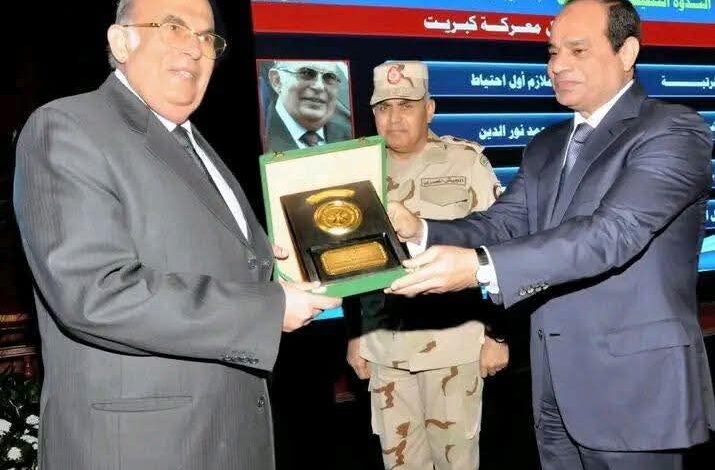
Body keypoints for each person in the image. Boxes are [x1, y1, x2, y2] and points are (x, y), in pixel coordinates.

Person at [385, 1, 715, 469]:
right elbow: (501, 223)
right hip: (553, 387)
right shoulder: (546, 145)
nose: (557, 65)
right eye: (553, 52)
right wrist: (420, 230)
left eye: (577, 50)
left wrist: (481, 267)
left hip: (634, 389)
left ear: (627, 53)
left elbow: (611, 234)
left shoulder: (673, 130)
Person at [13, 0, 341, 469]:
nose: (194, 48)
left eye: (207, 38)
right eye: (174, 28)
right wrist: (268, 308)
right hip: (143, 449)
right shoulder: (68, 126)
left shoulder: (193, 141)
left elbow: (199, 255)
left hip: (224, 438)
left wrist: (273, 264)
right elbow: (94, 294)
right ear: (121, 41)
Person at [345, 61, 510, 470]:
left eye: (406, 105)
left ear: (430, 109)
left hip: (453, 348)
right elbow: (348, 263)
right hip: (385, 351)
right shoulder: (359, 170)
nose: (394, 117)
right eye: (384, 108)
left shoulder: (465, 162)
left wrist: (498, 335)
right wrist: (355, 335)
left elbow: (501, 250)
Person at [264, 60, 352, 152]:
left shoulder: (350, 134)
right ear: (277, 81)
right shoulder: (265, 138)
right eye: (306, 73)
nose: (319, 86)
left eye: (329, 77)